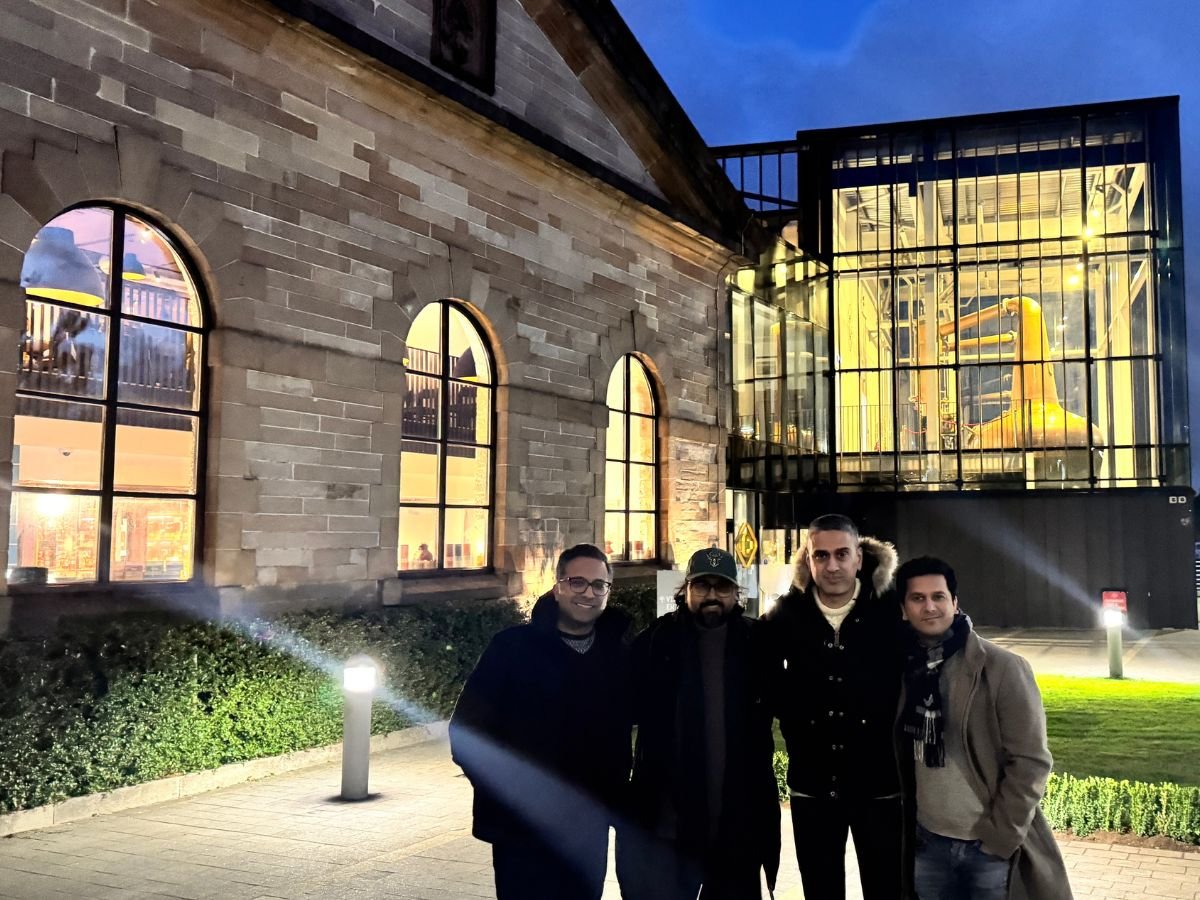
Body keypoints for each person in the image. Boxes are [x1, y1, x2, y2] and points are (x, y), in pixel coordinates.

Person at [448, 543, 631, 900]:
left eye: (599, 585)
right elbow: (468, 730)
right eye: (577, 582)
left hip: (586, 829)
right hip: (522, 828)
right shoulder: (513, 648)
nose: (588, 593)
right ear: (558, 586)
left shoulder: (618, 655)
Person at [894, 556, 1073, 900]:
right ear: (904, 609)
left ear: (955, 602)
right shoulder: (906, 670)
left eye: (938, 596)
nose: (929, 607)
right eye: (918, 598)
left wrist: (1000, 837)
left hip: (986, 848)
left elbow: (1031, 760)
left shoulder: (1002, 668)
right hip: (928, 844)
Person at [617, 547, 779, 900]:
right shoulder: (655, 642)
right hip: (669, 826)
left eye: (721, 587)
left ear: (736, 593)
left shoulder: (758, 644)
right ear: (685, 589)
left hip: (737, 824)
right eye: (702, 585)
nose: (711, 596)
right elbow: (620, 713)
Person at [759, 513, 903, 899]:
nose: (832, 565)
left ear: (860, 556)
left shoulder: (892, 612)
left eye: (842, 554)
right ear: (808, 559)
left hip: (881, 788)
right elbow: (760, 680)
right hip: (813, 788)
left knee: (887, 888)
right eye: (821, 556)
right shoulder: (785, 617)